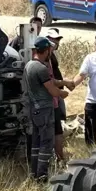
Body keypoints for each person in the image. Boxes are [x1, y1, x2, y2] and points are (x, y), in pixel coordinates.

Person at [22, 36, 69, 180]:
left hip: (34, 110)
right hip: (44, 110)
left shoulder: (29, 65)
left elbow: (49, 80)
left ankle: (34, 173)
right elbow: (52, 90)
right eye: (50, 49)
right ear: (46, 50)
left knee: (36, 143)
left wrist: (64, 81)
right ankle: (42, 175)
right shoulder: (41, 68)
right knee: (47, 143)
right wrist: (62, 93)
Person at [45, 28, 74, 161]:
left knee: (57, 127)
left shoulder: (51, 57)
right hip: (50, 99)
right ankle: (56, 157)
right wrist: (60, 91)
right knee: (54, 129)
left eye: (57, 40)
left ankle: (58, 156)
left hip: (55, 98)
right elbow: (49, 81)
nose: (56, 43)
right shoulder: (43, 61)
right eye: (54, 40)